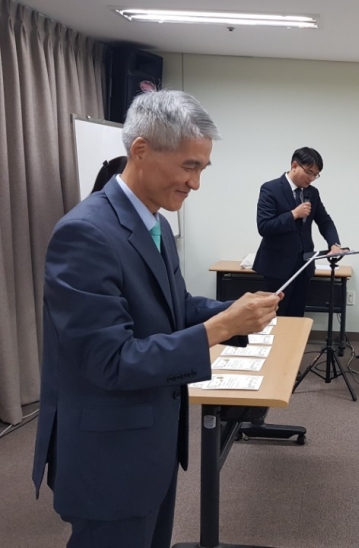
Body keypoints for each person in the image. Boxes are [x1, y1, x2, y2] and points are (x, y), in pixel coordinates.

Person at [32, 90, 281, 548]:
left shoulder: (156, 222)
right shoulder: (86, 233)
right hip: (108, 457)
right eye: (189, 166)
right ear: (141, 150)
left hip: (150, 445)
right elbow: (111, 361)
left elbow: (173, 307)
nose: (196, 183)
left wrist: (234, 312)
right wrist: (222, 327)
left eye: (202, 168)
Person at [253, 147, 343, 317]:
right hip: (277, 267)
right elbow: (264, 226)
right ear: (294, 165)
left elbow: (324, 221)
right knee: (277, 317)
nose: (311, 178)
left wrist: (334, 244)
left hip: (304, 265)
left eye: (316, 174)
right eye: (309, 172)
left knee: (297, 316)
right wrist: (293, 214)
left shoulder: (312, 193)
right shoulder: (270, 188)